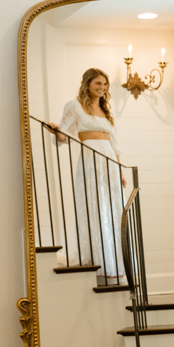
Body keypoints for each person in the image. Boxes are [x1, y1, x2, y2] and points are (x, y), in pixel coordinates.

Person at [49, 68, 126, 283]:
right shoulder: (74, 105)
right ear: (87, 83)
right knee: (94, 207)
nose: (102, 88)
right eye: (98, 84)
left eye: (104, 85)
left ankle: (116, 265)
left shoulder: (105, 108)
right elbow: (64, 135)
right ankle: (99, 262)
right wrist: (55, 130)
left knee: (113, 210)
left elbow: (116, 144)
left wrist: (119, 170)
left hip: (110, 161)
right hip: (90, 161)